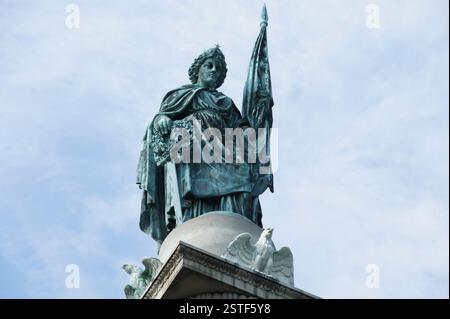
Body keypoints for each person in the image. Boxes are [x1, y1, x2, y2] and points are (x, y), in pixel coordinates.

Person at [137, 46, 271, 246]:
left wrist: (259, 115)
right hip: (194, 150)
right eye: (209, 65)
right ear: (197, 70)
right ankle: (194, 219)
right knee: (187, 154)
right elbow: (161, 117)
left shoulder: (225, 102)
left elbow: (241, 127)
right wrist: (162, 118)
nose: (213, 70)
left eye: (218, 69)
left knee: (244, 170)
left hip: (223, 148)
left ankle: (233, 219)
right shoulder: (181, 95)